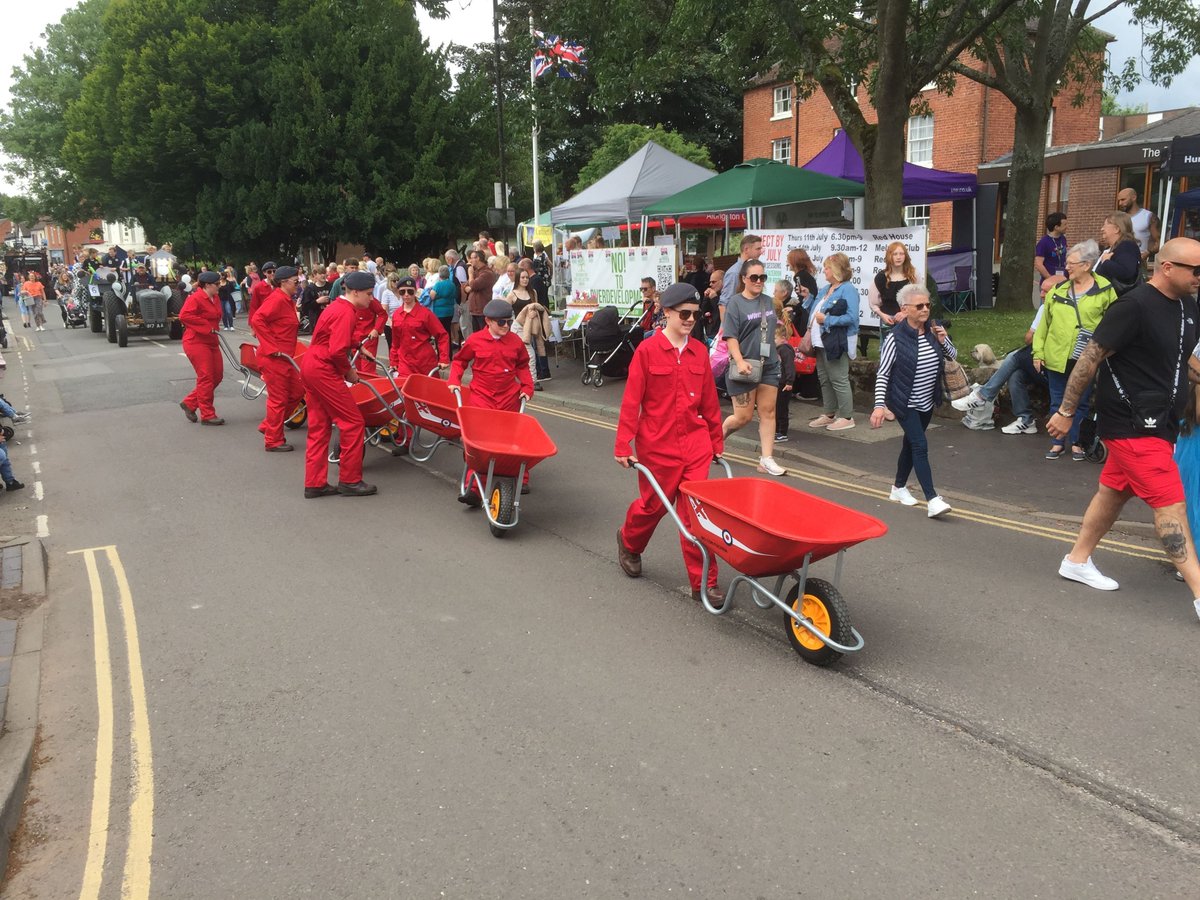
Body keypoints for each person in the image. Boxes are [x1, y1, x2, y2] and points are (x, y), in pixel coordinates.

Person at [1048, 237, 1200, 614]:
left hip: (1163, 421)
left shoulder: (1187, 305)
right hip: (1131, 425)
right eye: (1195, 270)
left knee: (1113, 493)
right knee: (1172, 506)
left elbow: (1181, 362)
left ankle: (1077, 561)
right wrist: (1066, 411)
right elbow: (1090, 357)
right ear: (1167, 268)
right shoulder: (1133, 306)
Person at [615, 283, 724, 604]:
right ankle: (629, 542)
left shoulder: (699, 352)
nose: (691, 319)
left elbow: (709, 402)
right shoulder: (647, 352)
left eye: (695, 314)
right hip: (657, 446)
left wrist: (716, 441)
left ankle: (705, 581)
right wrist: (623, 444)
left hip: (695, 445)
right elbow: (631, 401)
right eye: (684, 314)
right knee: (653, 507)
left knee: (695, 513)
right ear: (667, 313)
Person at [870, 284, 957, 518]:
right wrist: (879, 405)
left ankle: (898, 487)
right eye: (919, 306)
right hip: (904, 401)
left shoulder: (932, 330)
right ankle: (932, 499)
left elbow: (953, 356)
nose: (925, 309)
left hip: (927, 400)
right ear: (905, 309)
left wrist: (944, 340)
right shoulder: (895, 339)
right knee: (920, 445)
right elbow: (883, 373)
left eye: (928, 305)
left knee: (910, 443)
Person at [1033, 240, 1117, 460]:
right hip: (1056, 354)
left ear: (1087, 265)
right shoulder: (1058, 290)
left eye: (1072, 263)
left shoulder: (1106, 290)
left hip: (1086, 358)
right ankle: (1057, 441)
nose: (1066, 267)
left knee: (1081, 401)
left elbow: (1115, 324)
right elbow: (1044, 325)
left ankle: (1077, 442)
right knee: (1057, 400)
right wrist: (1038, 352)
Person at [300, 270, 378, 498]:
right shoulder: (347, 313)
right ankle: (350, 480)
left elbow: (331, 334)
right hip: (324, 369)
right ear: (355, 292)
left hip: (311, 365)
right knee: (353, 422)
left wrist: (357, 346)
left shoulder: (337, 306)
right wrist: (349, 372)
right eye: (368, 294)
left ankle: (314, 483)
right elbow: (335, 350)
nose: (371, 299)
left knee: (319, 425)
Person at [449, 298, 535, 503]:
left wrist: (527, 386)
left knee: (512, 438)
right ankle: (475, 487)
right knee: (477, 441)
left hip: (508, 397)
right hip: (482, 396)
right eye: (501, 322)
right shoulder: (475, 340)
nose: (506, 326)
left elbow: (523, 366)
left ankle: (519, 477)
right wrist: (454, 381)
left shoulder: (515, 342)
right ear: (488, 321)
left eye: (509, 321)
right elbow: (460, 361)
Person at [721, 258, 786, 476]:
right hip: (745, 366)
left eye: (762, 277)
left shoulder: (768, 301)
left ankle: (766, 459)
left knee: (768, 412)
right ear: (744, 279)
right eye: (754, 277)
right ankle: (715, 439)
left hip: (768, 365)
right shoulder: (735, 303)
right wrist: (739, 361)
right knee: (743, 417)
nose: (759, 281)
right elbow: (730, 336)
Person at [951, 301, 1050, 434]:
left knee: (1014, 357)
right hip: (1039, 359)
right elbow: (1029, 339)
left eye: (1046, 291)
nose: (1042, 294)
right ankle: (1026, 420)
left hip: (1053, 366)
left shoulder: (1055, 308)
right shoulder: (1045, 307)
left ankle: (982, 396)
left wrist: (1039, 339)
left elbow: (1031, 338)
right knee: (1016, 374)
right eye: (1042, 290)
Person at [249, 266, 305, 452]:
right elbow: (258, 320)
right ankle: (273, 440)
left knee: (297, 393)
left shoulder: (286, 299)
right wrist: (272, 347)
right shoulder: (277, 299)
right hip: (274, 358)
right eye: (295, 282)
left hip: (285, 357)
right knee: (278, 399)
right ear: (283, 282)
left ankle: (269, 425)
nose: (298, 285)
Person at [804, 253, 860, 431]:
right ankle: (829, 413)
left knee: (838, 378)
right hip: (820, 341)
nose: (824, 271)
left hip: (835, 340)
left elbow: (852, 317)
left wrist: (826, 320)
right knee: (824, 378)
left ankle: (846, 416)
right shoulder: (826, 288)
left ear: (836, 269)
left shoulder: (848, 289)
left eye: (827, 267)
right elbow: (814, 310)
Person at [178, 271, 225, 425]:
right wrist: (206, 326)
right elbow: (184, 316)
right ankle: (208, 414)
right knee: (206, 377)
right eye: (217, 284)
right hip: (196, 341)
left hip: (211, 340)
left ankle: (190, 403)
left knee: (217, 376)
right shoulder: (196, 298)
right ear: (207, 285)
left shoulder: (215, 297)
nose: (220, 286)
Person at [387, 274, 449, 378]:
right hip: (405, 363)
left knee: (428, 392)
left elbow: (442, 335)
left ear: (415, 292)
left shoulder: (426, 314)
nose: (406, 295)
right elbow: (395, 341)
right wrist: (393, 360)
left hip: (425, 363)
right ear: (399, 293)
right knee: (405, 390)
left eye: (410, 291)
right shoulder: (397, 315)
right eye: (403, 292)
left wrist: (443, 358)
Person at [866, 242, 918, 356]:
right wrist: (882, 315)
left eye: (901, 254)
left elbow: (920, 300)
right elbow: (873, 302)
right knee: (888, 354)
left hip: (909, 321)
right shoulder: (881, 277)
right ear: (889, 256)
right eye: (895, 254)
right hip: (888, 321)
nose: (898, 257)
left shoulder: (913, 276)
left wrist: (906, 313)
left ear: (906, 256)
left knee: (908, 353)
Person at [1095, 211, 1142, 293]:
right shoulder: (1113, 248)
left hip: (1120, 300)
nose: (1102, 229)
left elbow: (1127, 272)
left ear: (1117, 229)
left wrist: (1106, 262)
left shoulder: (1127, 246)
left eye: (1105, 225)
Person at [1116, 187, 1161, 264]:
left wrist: (1147, 253)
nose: (1120, 203)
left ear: (1133, 198)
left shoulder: (1148, 216)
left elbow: (1159, 241)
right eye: (1119, 201)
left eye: (1123, 200)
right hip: (1120, 261)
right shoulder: (1118, 218)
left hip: (1140, 262)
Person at [351, 284, 387, 375]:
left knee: (368, 369)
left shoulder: (370, 300)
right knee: (358, 368)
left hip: (369, 338)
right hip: (354, 339)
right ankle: (363, 387)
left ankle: (371, 386)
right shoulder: (348, 302)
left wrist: (376, 329)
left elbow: (382, 314)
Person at [720, 234, 762, 308]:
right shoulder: (734, 273)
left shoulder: (750, 268)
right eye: (758, 249)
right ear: (746, 249)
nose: (760, 252)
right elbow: (724, 304)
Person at [786, 248, 819, 336]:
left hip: (806, 314)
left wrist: (794, 309)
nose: (787, 263)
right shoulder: (805, 275)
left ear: (794, 261)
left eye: (789, 260)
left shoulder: (800, 276)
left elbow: (804, 298)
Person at [464, 250, 496, 334]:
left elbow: (473, 285)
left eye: (471, 258)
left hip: (482, 310)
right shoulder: (476, 271)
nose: (470, 261)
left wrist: (470, 274)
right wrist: (470, 285)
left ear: (477, 258)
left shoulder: (487, 273)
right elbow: (466, 286)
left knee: (484, 333)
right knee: (477, 335)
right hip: (474, 310)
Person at [426, 265, 459, 345]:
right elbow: (454, 295)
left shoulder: (438, 285)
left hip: (439, 312)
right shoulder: (452, 284)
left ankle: (441, 351)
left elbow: (432, 296)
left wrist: (434, 294)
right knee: (447, 331)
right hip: (450, 311)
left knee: (439, 333)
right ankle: (449, 352)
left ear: (439, 274)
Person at [774, 322, 795, 443]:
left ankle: (782, 432)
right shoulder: (778, 349)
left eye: (774, 338)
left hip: (784, 384)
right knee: (776, 407)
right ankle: (776, 429)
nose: (773, 341)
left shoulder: (785, 350)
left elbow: (789, 367)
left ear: (782, 338)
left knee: (781, 408)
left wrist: (789, 382)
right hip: (778, 382)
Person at [1035, 212, 1069, 286]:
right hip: (1049, 283)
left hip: (1064, 280)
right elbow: (1038, 264)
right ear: (1056, 227)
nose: (1067, 227)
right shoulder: (1043, 242)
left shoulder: (1063, 239)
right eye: (1065, 225)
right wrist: (1050, 279)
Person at [299, 267, 330, 333]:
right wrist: (317, 301)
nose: (323, 275)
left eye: (324, 273)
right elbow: (305, 307)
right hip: (316, 320)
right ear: (315, 275)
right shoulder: (310, 289)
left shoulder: (331, 286)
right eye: (320, 273)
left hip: (329, 319)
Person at [698, 268, 724, 340]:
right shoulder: (711, 294)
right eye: (710, 282)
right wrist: (706, 298)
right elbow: (703, 312)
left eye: (713, 282)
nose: (710, 284)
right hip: (709, 332)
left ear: (722, 282)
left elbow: (719, 315)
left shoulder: (726, 296)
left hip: (719, 332)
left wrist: (714, 299)